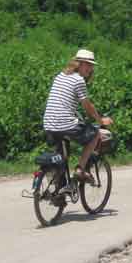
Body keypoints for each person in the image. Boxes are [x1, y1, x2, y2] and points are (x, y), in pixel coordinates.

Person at [43, 49, 113, 184]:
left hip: (49, 123)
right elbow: (87, 106)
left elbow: (63, 102)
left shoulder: (60, 75)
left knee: (63, 156)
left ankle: (59, 188)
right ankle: (80, 169)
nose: (91, 68)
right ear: (78, 64)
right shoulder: (78, 80)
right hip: (65, 124)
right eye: (88, 64)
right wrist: (100, 120)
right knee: (95, 134)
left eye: (92, 65)